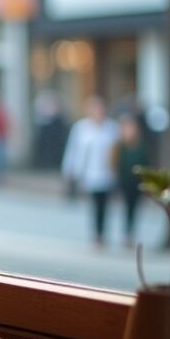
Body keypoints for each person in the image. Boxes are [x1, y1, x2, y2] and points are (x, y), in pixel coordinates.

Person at [62, 96, 120, 246]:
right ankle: (97, 233)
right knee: (95, 203)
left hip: (107, 172)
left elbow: (116, 151)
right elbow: (74, 150)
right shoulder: (81, 128)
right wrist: (70, 170)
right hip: (89, 173)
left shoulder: (111, 128)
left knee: (104, 204)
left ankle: (102, 233)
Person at [114, 113, 151, 248]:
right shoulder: (120, 146)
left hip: (137, 183)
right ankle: (126, 234)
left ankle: (130, 234)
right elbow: (115, 164)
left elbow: (146, 164)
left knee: (134, 208)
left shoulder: (140, 146)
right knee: (127, 208)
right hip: (125, 182)